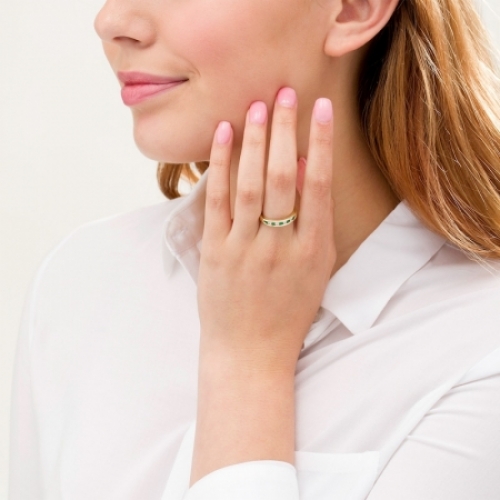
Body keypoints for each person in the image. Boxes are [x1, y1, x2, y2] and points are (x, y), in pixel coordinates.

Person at [9, 0, 500, 498]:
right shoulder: (81, 284)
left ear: (353, 9)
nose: (111, 22)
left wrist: (246, 365)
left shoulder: (482, 348)